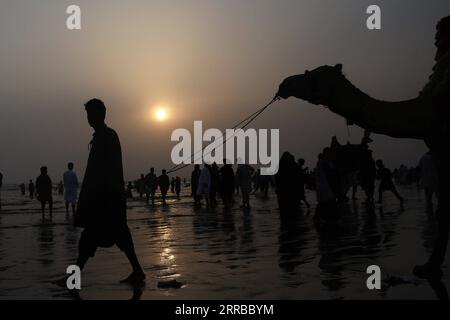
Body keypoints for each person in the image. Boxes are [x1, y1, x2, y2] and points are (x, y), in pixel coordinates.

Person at [74, 98, 145, 284]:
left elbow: (113, 169)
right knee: (106, 237)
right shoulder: (98, 137)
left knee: (96, 237)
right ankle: (137, 270)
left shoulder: (109, 136)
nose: (89, 118)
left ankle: (73, 278)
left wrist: (110, 197)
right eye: (87, 115)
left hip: (106, 199)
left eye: (92, 114)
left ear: (102, 114)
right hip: (100, 199)